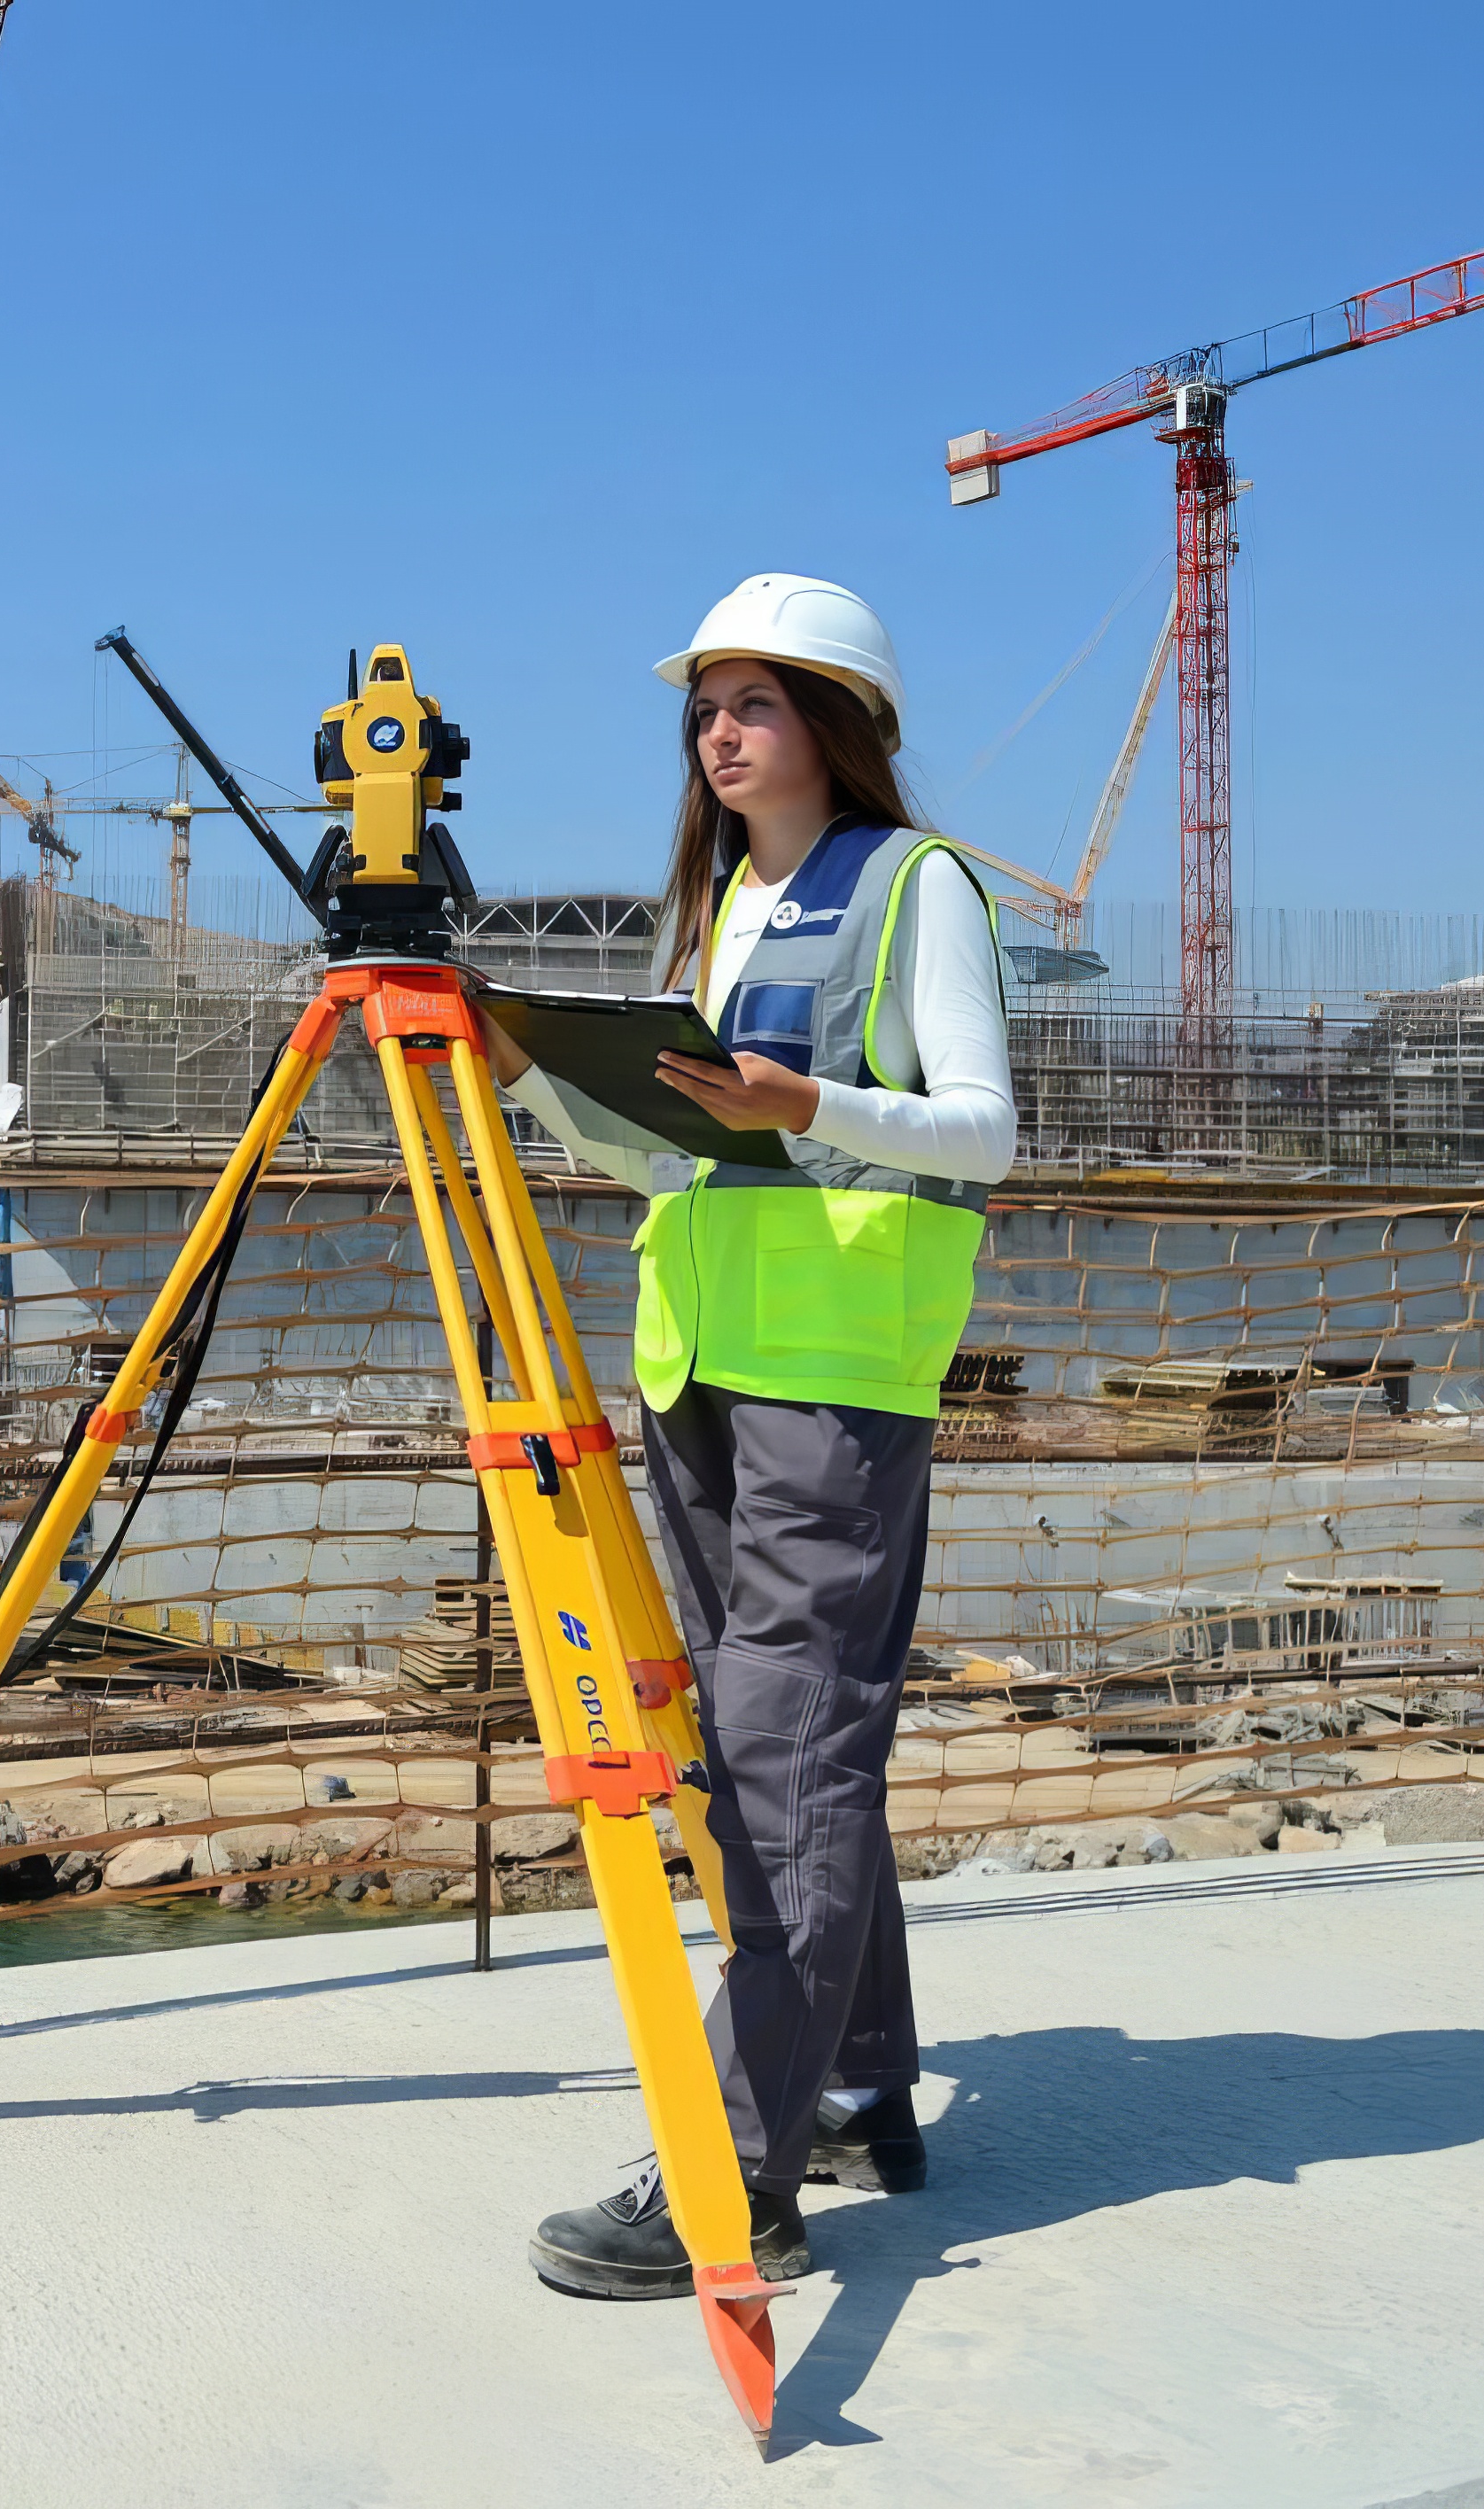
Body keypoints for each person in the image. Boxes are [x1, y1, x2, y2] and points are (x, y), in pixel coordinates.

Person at [482, 573, 1012, 2297]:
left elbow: (981, 1133)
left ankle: (734, 2180)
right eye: (703, 707)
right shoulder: (719, 908)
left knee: (788, 1753)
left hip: (835, 1380)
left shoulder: (914, 886)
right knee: (762, 1749)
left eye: (754, 701)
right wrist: (557, 1087)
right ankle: (855, 2088)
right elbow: (693, 1157)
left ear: (836, 723)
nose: (717, 733)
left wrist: (806, 1101)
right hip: (697, 1367)